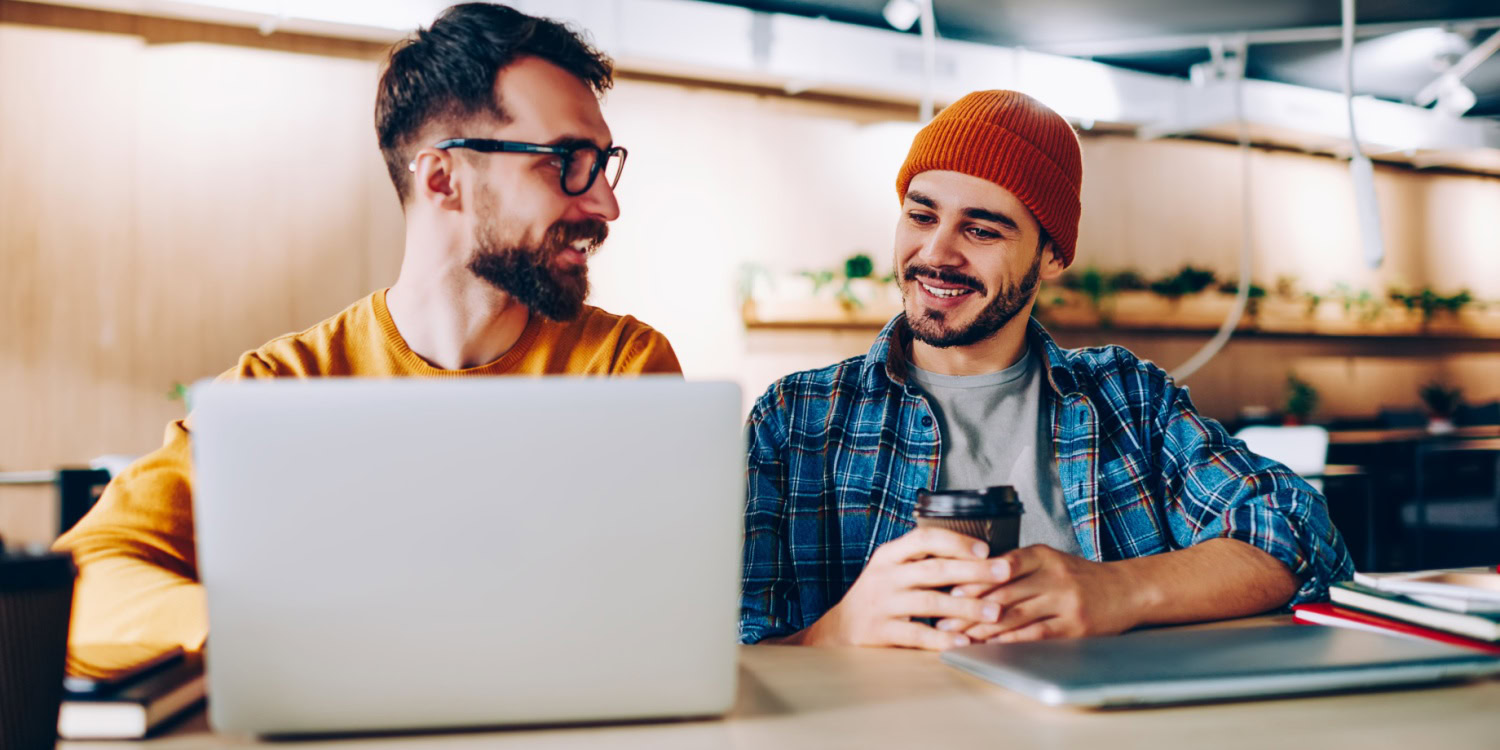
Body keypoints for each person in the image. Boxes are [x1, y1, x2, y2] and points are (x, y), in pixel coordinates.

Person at [54, 2, 678, 650]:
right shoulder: (283, 388)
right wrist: (270, 638)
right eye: (566, 160)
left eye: (603, 162)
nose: (606, 203)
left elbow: (656, 614)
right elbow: (84, 579)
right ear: (443, 179)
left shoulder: (622, 368)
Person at [740, 90, 1353, 649]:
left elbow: (1300, 533)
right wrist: (837, 632)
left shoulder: (1130, 401)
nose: (936, 253)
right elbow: (731, 646)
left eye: (981, 230)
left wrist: (1118, 591)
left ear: (1052, 255)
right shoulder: (796, 420)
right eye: (922, 216)